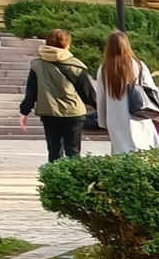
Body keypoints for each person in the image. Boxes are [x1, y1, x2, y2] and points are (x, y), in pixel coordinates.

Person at [19, 28, 100, 161]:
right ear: (67, 45)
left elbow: (31, 92)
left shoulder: (37, 65)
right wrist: (102, 111)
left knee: (54, 150)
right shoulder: (76, 66)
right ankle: (74, 180)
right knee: (73, 152)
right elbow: (88, 94)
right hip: (74, 114)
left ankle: (54, 179)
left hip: (49, 113)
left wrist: (24, 112)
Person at [97, 31, 159, 154]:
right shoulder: (138, 64)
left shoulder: (104, 68)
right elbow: (152, 89)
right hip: (138, 114)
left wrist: (102, 120)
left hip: (115, 117)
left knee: (121, 152)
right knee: (144, 150)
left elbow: (101, 97)